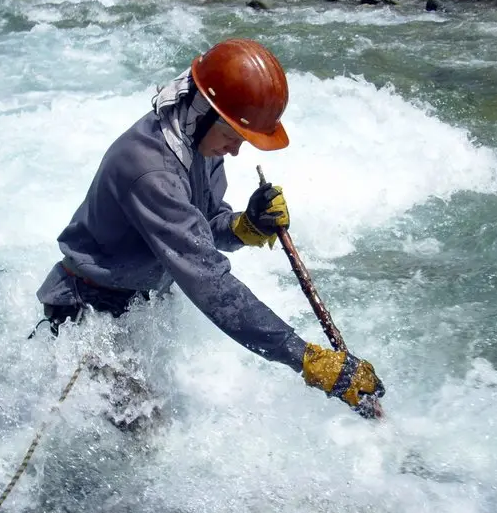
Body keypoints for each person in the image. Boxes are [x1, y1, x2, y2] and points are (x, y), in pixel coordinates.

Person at [35, 38, 385, 416]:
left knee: (155, 425)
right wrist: (306, 358)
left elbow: (204, 224)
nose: (235, 151)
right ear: (204, 111)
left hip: (141, 306)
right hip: (89, 317)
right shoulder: (150, 170)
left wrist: (245, 225)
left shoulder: (194, 141)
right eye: (233, 137)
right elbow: (210, 283)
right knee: (150, 434)